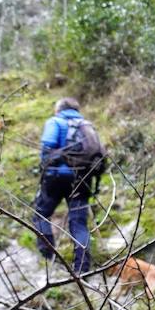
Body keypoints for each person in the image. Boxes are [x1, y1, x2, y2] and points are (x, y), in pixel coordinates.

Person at [33, 97, 95, 274]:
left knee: (41, 215)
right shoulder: (86, 125)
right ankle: (82, 269)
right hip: (83, 179)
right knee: (79, 224)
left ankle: (49, 258)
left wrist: (45, 170)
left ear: (58, 109)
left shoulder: (55, 122)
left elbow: (47, 147)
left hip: (57, 177)